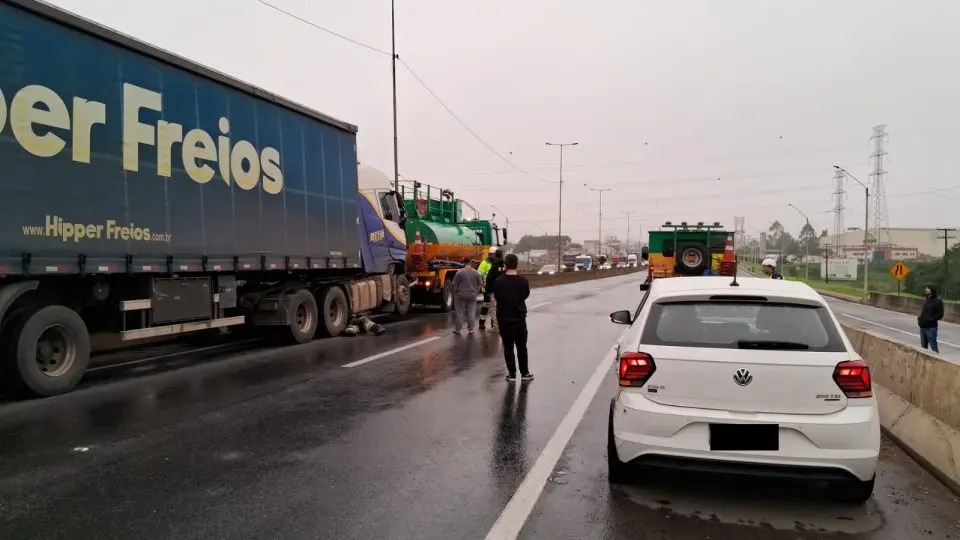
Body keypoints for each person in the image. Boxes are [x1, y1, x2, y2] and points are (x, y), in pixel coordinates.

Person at [492, 253, 533, 382]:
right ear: (517, 265)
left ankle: (512, 374)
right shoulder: (523, 281)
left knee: (508, 347)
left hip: (504, 319)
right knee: (521, 346)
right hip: (520, 318)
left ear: (505, 265)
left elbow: (497, 298)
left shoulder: (498, 282)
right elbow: (525, 295)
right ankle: (525, 373)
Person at [450, 259, 483, 334]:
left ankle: (458, 329)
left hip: (461, 295)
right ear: (470, 263)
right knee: (471, 312)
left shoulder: (459, 272)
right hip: (472, 295)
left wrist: (455, 293)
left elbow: (454, 285)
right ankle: (471, 329)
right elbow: (480, 284)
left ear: (464, 263)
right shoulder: (476, 273)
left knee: (459, 313)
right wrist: (476, 292)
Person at [479, 248, 503, 332]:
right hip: (486, 288)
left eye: (494, 254)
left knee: (494, 308)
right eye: (492, 254)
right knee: (486, 306)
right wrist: (482, 284)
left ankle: (494, 325)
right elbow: (480, 275)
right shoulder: (484, 263)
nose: (493, 256)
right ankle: (482, 323)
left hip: (493, 288)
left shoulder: (496, 264)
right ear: (490, 254)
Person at [918, 284, 944, 353]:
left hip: (931, 327)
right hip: (923, 326)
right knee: (923, 347)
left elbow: (940, 314)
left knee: (933, 346)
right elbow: (923, 312)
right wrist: (920, 319)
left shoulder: (938, 301)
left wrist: (930, 319)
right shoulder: (926, 300)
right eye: (926, 288)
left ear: (932, 290)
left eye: (928, 288)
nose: (926, 289)